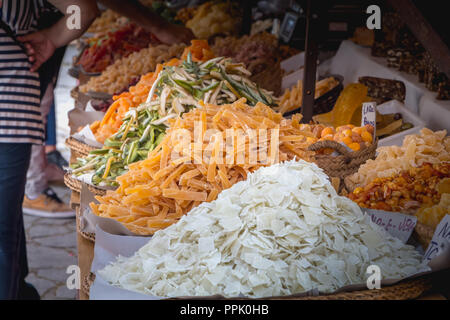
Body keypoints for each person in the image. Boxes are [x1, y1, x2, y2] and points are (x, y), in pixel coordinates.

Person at [0, 0, 99, 299]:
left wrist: (53, 37)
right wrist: (52, 37)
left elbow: (83, 8)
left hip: (8, 110)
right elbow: (83, 10)